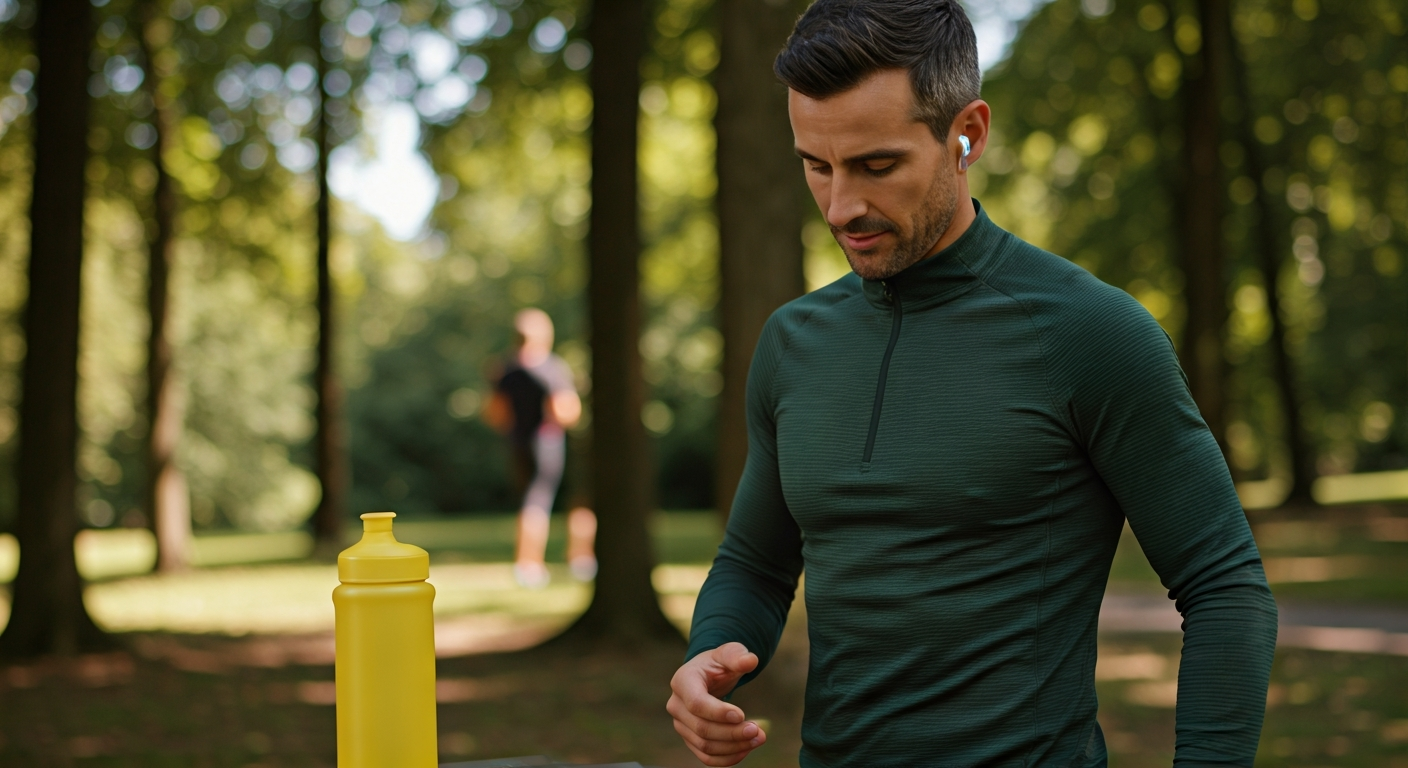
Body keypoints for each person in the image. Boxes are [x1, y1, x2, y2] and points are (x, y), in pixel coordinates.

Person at [666, 1, 1278, 765]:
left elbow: (1225, 589)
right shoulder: (792, 344)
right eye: (816, 165)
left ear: (969, 135)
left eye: (877, 165)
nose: (841, 205)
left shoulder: (1091, 333)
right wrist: (709, 654)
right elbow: (755, 566)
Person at [483, 308, 597, 588]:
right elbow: (566, 411)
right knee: (572, 500)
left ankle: (528, 564)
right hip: (550, 443)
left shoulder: (504, 369)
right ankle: (579, 559)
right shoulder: (551, 367)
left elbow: (495, 414)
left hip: (519, 443)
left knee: (531, 503)